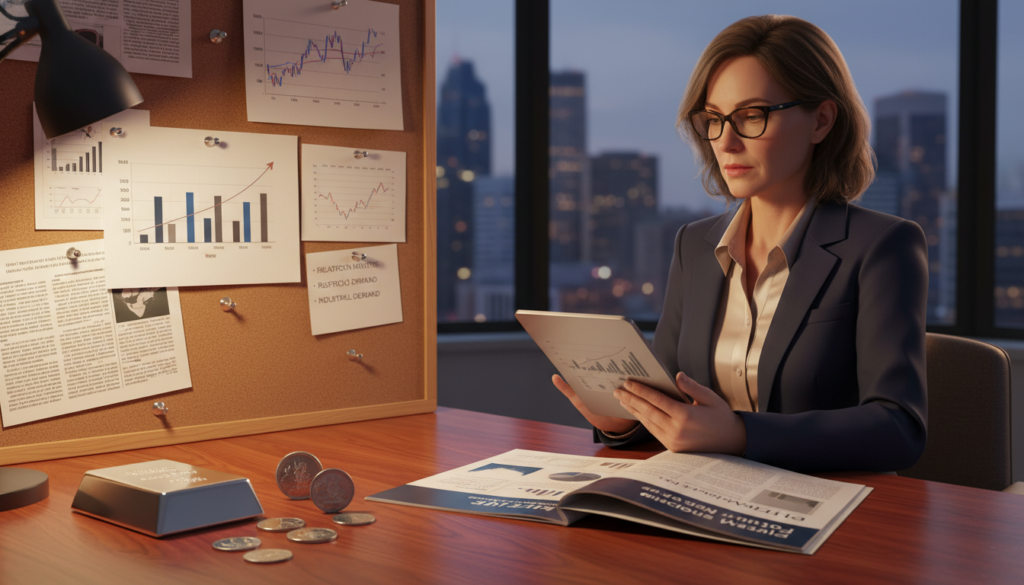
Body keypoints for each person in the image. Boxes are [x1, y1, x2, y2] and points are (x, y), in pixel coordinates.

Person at [552, 15, 927, 473]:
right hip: (705, 499)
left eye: (752, 116)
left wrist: (740, 434)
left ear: (822, 121)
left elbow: (899, 429)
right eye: (713, 119)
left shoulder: (883, 246)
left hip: (829, 513)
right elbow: (674, 405)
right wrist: (623, 423)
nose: (725, 142)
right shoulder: (693, 245)